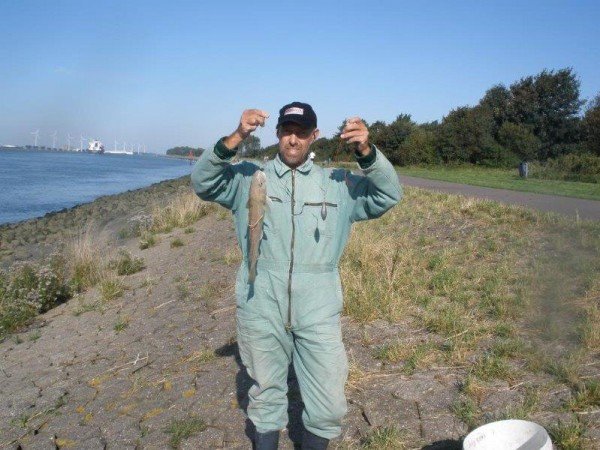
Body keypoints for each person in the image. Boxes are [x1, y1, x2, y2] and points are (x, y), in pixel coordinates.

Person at [191, 102, 401, 449]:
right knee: (266, 396)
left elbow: (389, 194)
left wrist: (366, 151)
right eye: (287, 131)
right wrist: (236, 136)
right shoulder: (248, 177)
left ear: (314, 136)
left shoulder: (337, 183)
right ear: (276, 134)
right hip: (260, 301)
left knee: (328, 402)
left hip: (317, 306)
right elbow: (202, 182)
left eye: (301, 133)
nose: (293, 140)